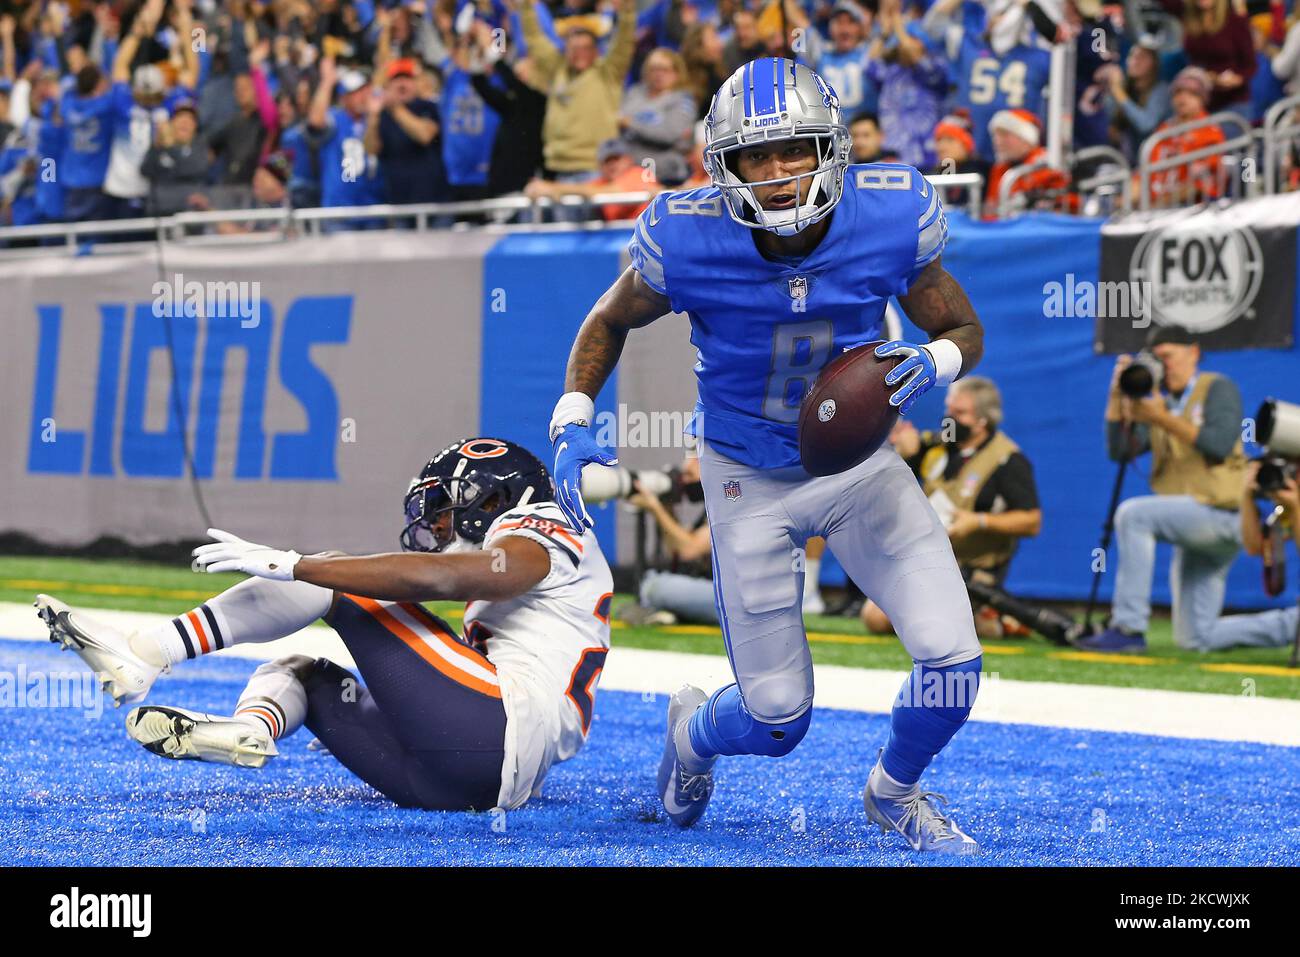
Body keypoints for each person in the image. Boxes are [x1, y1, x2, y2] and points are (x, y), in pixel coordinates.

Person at [548, 59, 985, 853]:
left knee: (955, 664)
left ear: (832, 148)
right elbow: (607, 319)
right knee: (777, 718)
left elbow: (962, 327)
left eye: (793, 151)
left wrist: (937, 362)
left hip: (857, 466)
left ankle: (895, 791)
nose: (777, 174)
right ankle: (692, 735)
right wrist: (573, 417)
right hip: (747, 469)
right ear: (725, 165)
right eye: (755, 157)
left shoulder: (892, 216)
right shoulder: (684, 235)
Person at [40, 438, 614, 814]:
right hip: (461, 780)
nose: (437, 526)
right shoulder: (536, 559)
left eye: (442, 509)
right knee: (300, 672)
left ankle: (147, 651)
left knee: (337, 578)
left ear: (493, 497)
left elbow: (478, 572)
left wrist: (299, 565)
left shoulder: (546, 519)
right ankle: (251, 730)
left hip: (498, 730)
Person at [1083, 324, 1247, 654]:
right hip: (1194, 524)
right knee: (1197, 638)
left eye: (1168, 357)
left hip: (1225, 512)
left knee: (1133, 515)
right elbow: (1121, 452)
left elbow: (1218, 444)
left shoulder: (1216, 388)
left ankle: (1128, 626)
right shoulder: (1157, 401)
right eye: (1155, 359)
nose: (1162, 366)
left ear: (1193, 352)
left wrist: (1160, 417)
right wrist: (1116, 400)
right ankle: (1289, 625)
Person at [861, 377, 1043, 639]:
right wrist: (905, 451)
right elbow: (896, 475)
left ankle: (999, 620)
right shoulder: (939, 445)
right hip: (929, 561)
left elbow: (1032, 521)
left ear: (983, 419)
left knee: (949, 629)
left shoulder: (1008, 460)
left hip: (975, 572)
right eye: (949, 410)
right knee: (875, 618)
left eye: (959, 413)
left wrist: (979, 521)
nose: (950, 418)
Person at [1142, 66, 1226, 207]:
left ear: (1202, 99)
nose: (1182, 97)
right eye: (1178, 92)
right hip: (1157, 205)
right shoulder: (1164, 130)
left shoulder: (1210, 131)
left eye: (1192, 93)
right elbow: (1146, 175)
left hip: (1195, 208)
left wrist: (1156, 205)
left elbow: (1198, 186)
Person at [524, 137, 662, 221]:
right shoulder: (601, 182)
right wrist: (542, 188)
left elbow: (613, 192)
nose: (612, 165)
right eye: (607, 161)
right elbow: (587, 189)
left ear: (628, 159)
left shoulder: (639, 174)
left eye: (616, 159)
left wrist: (555, 188)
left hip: (648, 243)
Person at [984, 108, 1070, 217]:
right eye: (995, 136)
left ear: (1026, 138)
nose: (998, 141)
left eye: (1005, 135)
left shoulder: (1047, 167)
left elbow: (1065, 211)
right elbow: (990, 214)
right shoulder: (999, 170)